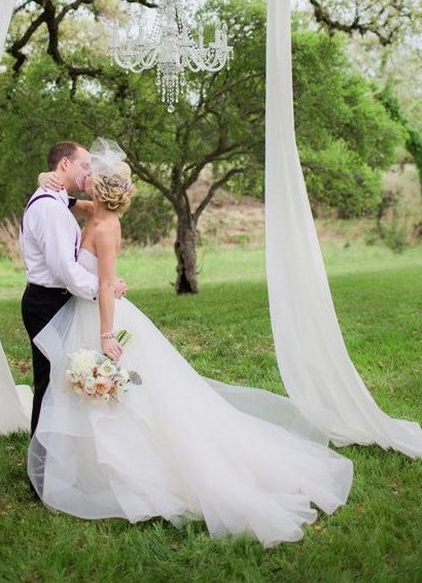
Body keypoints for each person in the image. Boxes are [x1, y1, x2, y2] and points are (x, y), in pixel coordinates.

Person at [28, 138, 353, 546]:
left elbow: (107, 284)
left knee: (115, 397)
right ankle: (79, 463)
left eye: (93, 176)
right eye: (85, 171)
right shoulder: (94, 212)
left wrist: (106, 335)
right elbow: (69, 205)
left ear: (102, 190)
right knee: (85, 395)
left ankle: (115, 469)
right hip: (83, 307)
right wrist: (51, 185)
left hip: (99, 314)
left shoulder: (106, 227)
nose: (86, 178)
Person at [20, 140, 126, 439]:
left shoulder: (60, 201)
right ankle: (41, 467)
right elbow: (64, 270)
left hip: (62, 301)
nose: (88, 173)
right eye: (84, 166)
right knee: (50, 383)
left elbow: (92, 207)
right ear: (64, 164)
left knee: (60, 382)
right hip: (47, 302)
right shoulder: (50, 209)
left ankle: (60, 455)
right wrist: (106, 288)